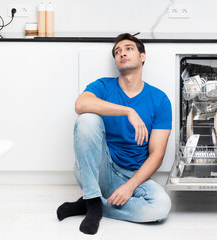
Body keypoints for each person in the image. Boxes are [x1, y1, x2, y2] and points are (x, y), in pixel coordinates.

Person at [56, 33, 172, 235]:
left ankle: (92, 204)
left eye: (129, 48)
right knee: (87, 118)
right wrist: (128, 111)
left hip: (134, 176)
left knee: (161, 207)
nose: (122, 53)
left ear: (142, 56)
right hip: (99, 170)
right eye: (117, 51)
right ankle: (93, 199)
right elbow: (80, 104)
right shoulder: (103, 86)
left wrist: (129, 187)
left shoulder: (159, 99)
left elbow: (157, 155)